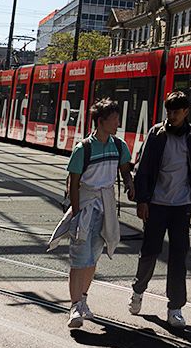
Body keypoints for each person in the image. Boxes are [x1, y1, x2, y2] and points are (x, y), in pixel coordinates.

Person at [129, 90, 191, 329]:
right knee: (149, 251)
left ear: (186, 112)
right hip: (157, 204)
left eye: (176, 112)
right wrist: (142, 200)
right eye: (169, 111)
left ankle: (175, 308)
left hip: (182, 207)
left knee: (178, 257)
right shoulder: (156, 134)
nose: (171, 116)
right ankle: (138, 290)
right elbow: (143, 167)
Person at [48, 98, 135, 329]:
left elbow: (125, 169)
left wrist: (129, 184)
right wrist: (76, 213)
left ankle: (83, 299)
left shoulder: (119, 146)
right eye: (114, 118)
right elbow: (73, 184)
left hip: (105, 209)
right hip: (86, 207)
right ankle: (75, 306)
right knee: (79, 259)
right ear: (101, 121)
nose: (118, 122)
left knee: (93, 257)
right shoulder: (83, 149)